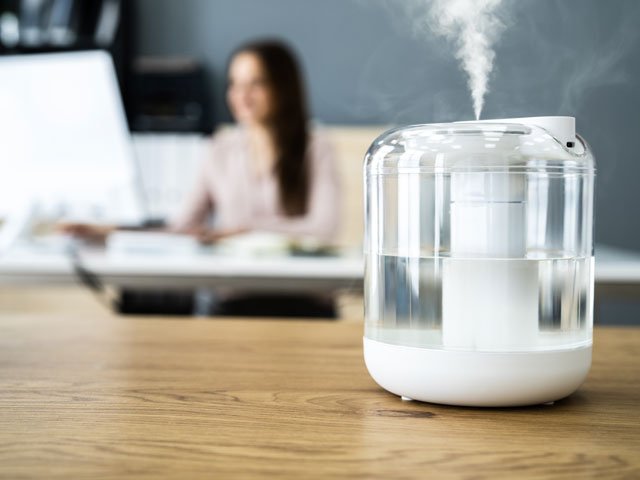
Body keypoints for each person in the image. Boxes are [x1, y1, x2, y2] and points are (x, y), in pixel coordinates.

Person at [63, 39, 342, 317]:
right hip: (234, 300)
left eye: (255, 83)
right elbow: (182, 227)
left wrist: (241, 230)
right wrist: (109, 232)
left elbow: (322, 228)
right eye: (235, 84)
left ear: (283, 88)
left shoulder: (317, 146)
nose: (242, 95)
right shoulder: (219, 149)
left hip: (303, 300)